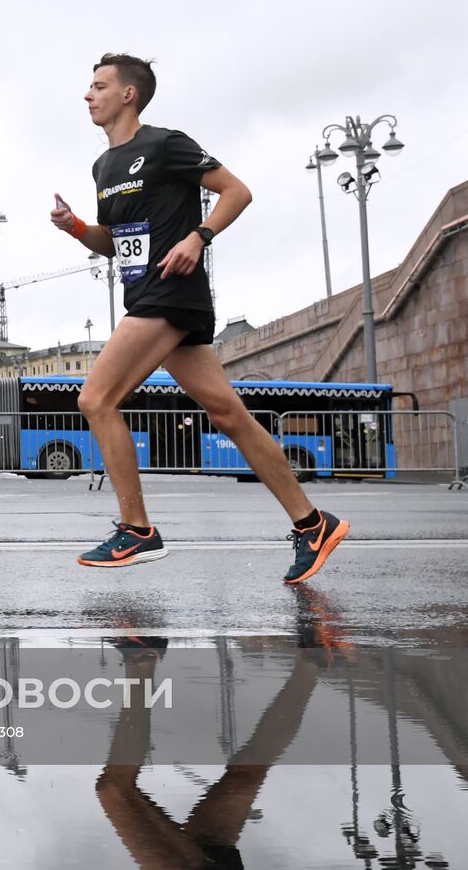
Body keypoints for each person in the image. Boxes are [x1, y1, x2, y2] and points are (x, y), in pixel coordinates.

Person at [51, 54, 348, 583]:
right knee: (229, 414)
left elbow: (237, 191)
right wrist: (74, 225)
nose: (87, 95)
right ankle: (312, 523)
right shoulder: (104, 167)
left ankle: (137, 530)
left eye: (98, 86)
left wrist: (199, 235)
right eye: (87, 87)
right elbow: (113, 244)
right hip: (146, 293)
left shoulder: (167, 144)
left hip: (171, 295)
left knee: (95, 399)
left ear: (129, 95)